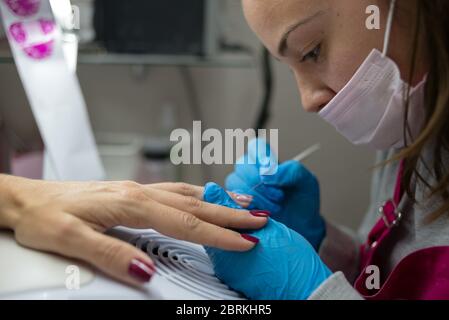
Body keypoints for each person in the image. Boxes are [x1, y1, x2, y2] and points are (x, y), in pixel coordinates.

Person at [203, 0, 449, 300]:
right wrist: (322, 244)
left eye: (311, 51)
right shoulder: (412, 113)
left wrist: (311, 291)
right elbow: (388, 278)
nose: (308, 101)